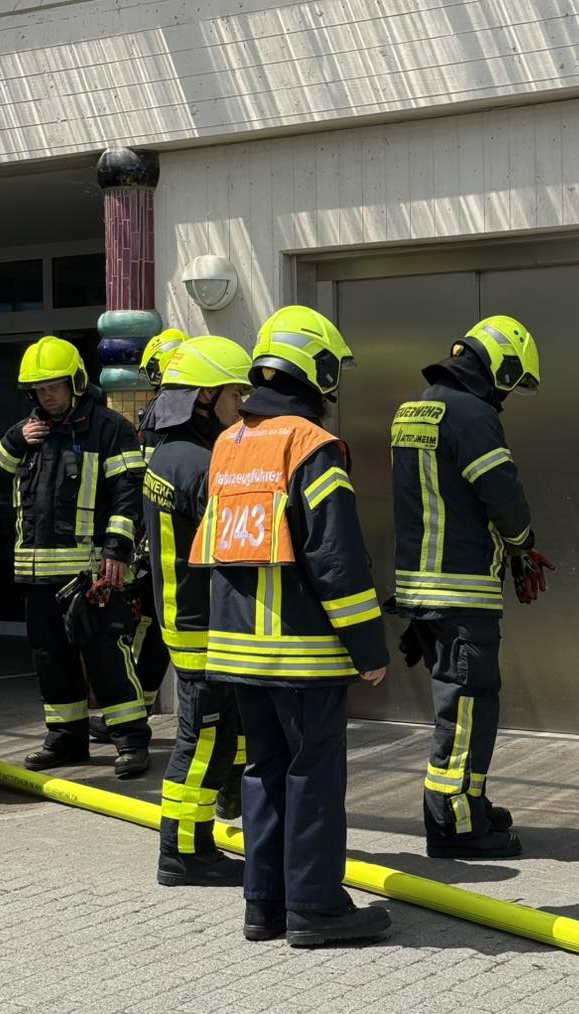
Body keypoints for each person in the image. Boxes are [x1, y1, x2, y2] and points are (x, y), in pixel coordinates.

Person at [191, 306, 392, 947]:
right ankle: (316, 908)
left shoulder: (228, 444)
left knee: (263, 771)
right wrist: (368, 646)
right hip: (303, 652)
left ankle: (265, 904)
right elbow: (336, 557)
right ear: (317, 370)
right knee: (313, 775)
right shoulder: (311, 445)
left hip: (238, 651)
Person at [389, 315, 553, 859]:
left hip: (422, 588)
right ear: (499, 367)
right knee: (468, 711)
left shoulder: (416, 408)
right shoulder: (473, 414)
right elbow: (501, 493)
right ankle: (456, 826)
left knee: (458, 708)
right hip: (462, 592)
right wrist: (523, 544)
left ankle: (468, 802)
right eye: (512, 382)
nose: (507, 396)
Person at [0, 336, 150, 777]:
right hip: (37, 577)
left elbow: (128, 492)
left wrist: (117, 549)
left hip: (90, 573)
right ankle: (66, 739)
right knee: (50, 660)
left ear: (76, 382)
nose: (47, 397)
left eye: (54, 387)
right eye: (39, 390)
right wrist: (15, 442)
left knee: (107, 657)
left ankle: (131, 740)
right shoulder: (26, 433)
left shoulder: (109, 428)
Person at [143, 335, 252, 887]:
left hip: (185, 620)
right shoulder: (198, 464)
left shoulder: (169, 454)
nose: (243, 404)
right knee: (203, 739)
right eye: (236, 393)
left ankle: (196, 839)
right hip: (202, 624)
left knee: (212, 734)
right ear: (205, 397)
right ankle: (184, 852)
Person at [88, 328, 187, 745]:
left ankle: (134, 710)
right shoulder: (192, 415)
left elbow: (144, 485)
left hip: (162, 544)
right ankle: (137, 709)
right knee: (157, 631)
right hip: (173, 542)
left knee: (148, 630)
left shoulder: (160, 417)